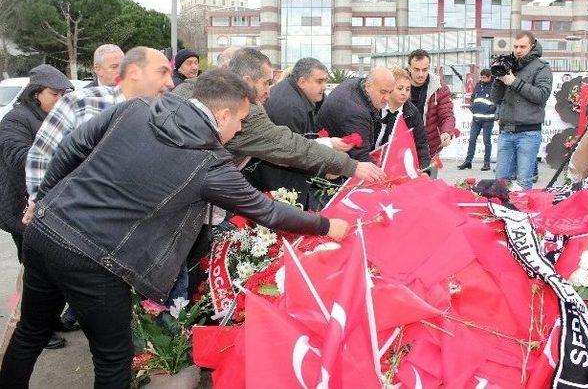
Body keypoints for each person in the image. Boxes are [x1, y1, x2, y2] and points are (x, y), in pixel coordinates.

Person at [0, 69, 349, 388]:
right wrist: (324, 224)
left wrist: (44, 200)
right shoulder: (209, 162)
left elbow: (71, 147)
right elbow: (267, 211)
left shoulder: (136, 109)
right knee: (113, 358)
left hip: (44, 232)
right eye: (241, 120)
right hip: (94, 259)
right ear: (222, 114)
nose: (241, 129)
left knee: (31, 331)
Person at [172, 48, 385, 183]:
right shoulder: (248, 112)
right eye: (265, 82)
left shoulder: (195, 84)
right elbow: (288, 146)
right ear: (246, 80)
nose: (269, 90)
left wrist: (328, 144)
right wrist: (352, 166)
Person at [24, 46, 174, 211]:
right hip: (72, 219)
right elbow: (41, 155)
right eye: (162, 72)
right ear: (134, 72)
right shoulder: (81, 103)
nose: (171, 83)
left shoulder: (166, 118)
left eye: (171, 74)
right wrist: (42, 206)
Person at [0, 65, 73, 357]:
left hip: (47, 208)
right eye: (54, 94)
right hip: (21, 209)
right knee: (33, 273)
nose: (60, 99)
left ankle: (49, 319)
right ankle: (35, 329)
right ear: (36, 94)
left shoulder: (56, 116)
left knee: (49, 271)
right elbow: (20, 158)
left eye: (64, 94)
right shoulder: (16, 120)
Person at [252, 57, 353, 209]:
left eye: (325, 81)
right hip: (277, 183)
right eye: (319, 81)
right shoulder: (290, 107)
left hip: (281, 179)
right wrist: (325, 170)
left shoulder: (296, 96)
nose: (324, 86)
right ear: (302, 82)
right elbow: (291, 154)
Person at [491, 30, 552, 189]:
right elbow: (495, 99)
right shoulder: (509, 64)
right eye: (516, 46)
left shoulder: (541, 68)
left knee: (523, 182)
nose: (518, 50)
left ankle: (523, 213)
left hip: (529, 133)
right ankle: (500, 212)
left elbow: (541, 95)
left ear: (532, 46)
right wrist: (499, 80)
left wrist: (513, 81)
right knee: (500, 181)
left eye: (523, 46)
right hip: (506, 131)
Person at [316, 67, 396, 162]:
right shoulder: (356, 112)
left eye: (390, 92)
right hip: (327, 162)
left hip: (331, 152)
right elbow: (361, 158)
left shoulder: (357, 84)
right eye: (383, 92)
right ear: (368, 86)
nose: (387, 98)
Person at [407, 49, 455, 176]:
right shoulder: (399, 84)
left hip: (430, 149)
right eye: (416, 69)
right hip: (403, 149)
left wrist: (446, 132)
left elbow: (447, 114)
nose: (421, 74)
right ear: (409, 68)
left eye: (425, 69)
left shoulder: (439, 88)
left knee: (428, 188)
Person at [376, 66, 430, 170]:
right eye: (400, 88)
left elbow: (421, 144)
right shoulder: (376, 107)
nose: (404, 92)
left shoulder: (412, 112)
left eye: (408, 89)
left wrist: (425, 170)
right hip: (373, 162)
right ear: (389, 88)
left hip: (398, 165)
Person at [458, 69, 496, 171]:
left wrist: (490, 109)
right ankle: (468, 162)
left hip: (488, 119)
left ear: (489, 77)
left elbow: (497, 101)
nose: (482, 79)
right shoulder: (478, 85)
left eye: (484, 77)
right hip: (476, 119)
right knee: (472, 140)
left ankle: (486, 163)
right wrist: (472, 107)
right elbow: (473, 97)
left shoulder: (494, 86)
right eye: (481, 77)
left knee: (486, 141)